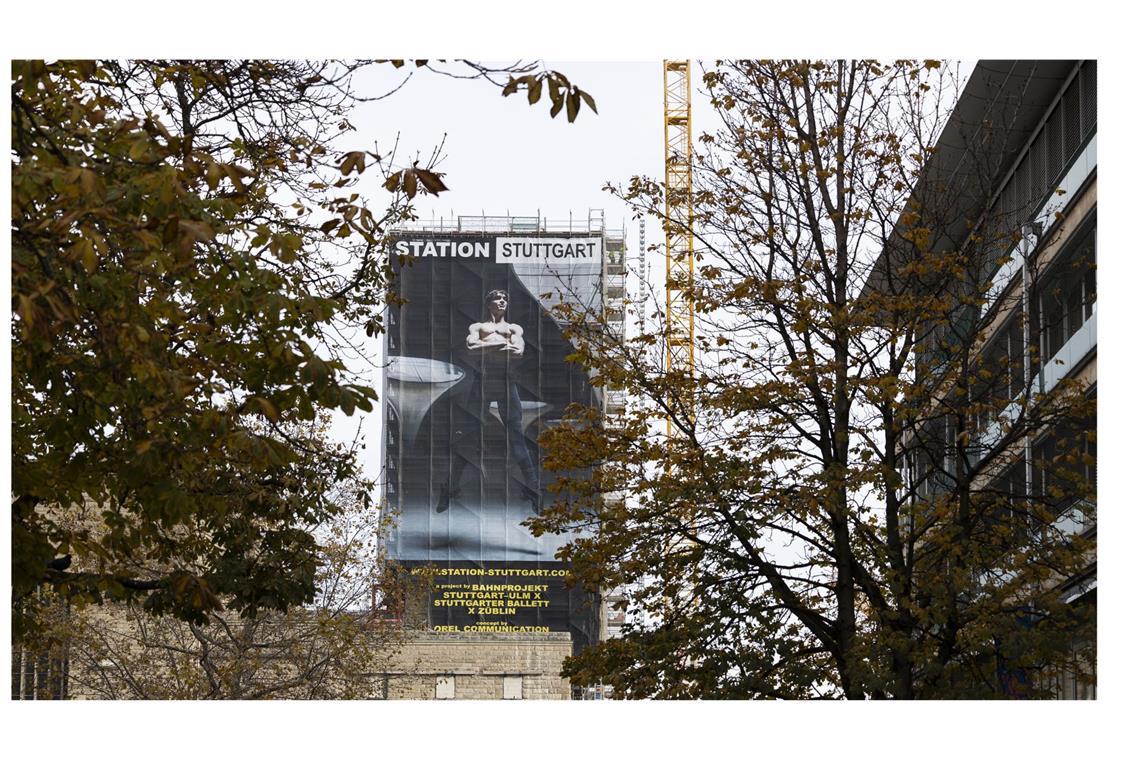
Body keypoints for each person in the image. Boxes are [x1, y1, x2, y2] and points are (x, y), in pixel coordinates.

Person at [437, 289, 542, 514]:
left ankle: (534, 489)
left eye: (505, 298)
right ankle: (450, 487)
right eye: (497, 298)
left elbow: (518, 352)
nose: (502, 301)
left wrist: (488, 347)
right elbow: (471, 348)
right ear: (489, 303)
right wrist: (499, 346)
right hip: (483, 381)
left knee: (516, 436)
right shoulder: (478, 327)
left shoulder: (514, 328)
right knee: (470, 437)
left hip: (505, 381)